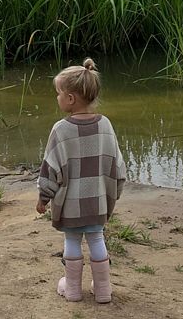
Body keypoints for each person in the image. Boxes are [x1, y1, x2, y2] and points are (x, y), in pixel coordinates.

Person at [36, 58, 126, 303]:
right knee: (97, 238)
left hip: (71, 204)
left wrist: (44, 198)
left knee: (72, 239)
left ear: (70, 98)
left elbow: (50, 169)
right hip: (98, 201)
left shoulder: (60, 129)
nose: (57, 98)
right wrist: (114, 193)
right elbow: (117, 166)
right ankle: (103, 289)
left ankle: (73, 289)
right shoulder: (106, 125)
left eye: (58, 93)